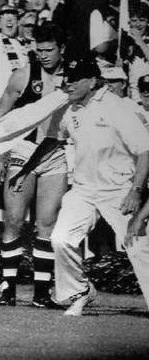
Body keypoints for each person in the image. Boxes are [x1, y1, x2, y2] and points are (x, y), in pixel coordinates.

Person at [14, 58, 149, 315]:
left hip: (119, 189)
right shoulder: (68, 108)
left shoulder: (116, 107)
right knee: (61, 239)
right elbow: (52, 141)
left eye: (76, 79)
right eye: (68, 78)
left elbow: (145, 150)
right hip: (84, 189)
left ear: (92, 81)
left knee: (139, 247)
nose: (69, 83)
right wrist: (26, 170)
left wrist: (136, 190)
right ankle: (81, 290)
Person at [0, 23, 67, 308]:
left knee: (46, 223)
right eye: (40, 50)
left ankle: (41, 293)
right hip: (24, 152)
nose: (44, 55)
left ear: (62, 49)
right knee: (14, 220)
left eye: (49, 50)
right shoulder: (24, 75)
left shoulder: (71, 77)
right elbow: (0, 116)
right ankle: (7, 288)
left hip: (56, 155)